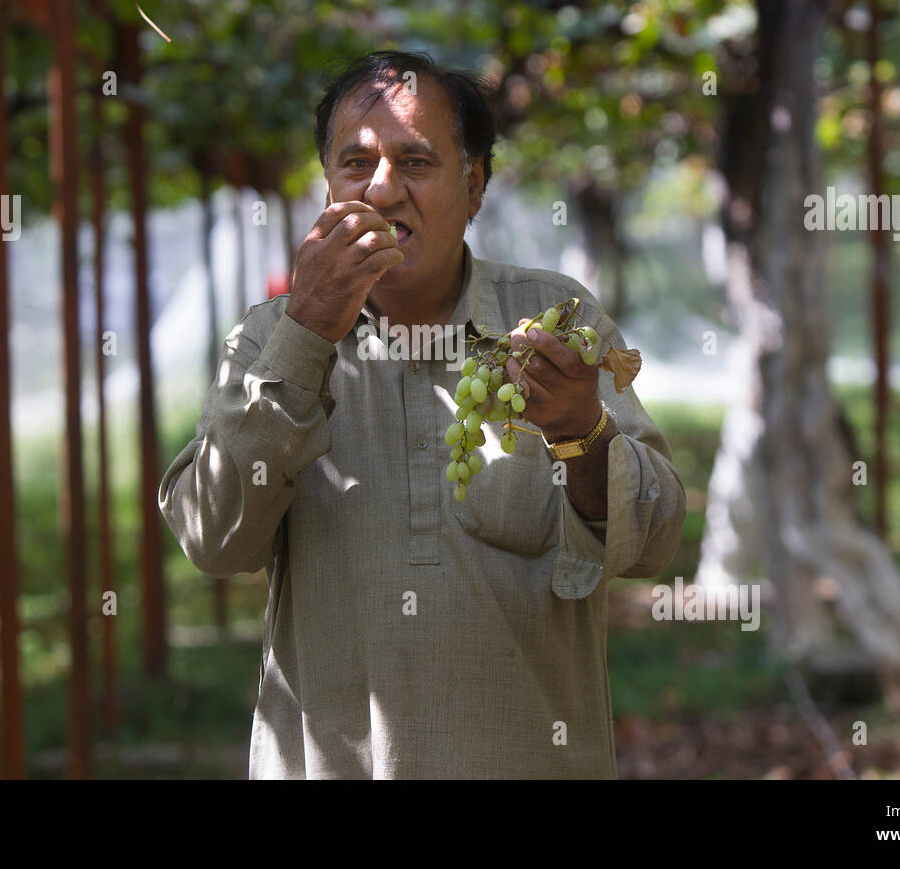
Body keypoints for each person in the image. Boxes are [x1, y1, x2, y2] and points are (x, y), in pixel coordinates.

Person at [159, 50, 686, 778]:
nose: (381, 188)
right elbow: (213, 541)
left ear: (473, 187)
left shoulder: (553, 324)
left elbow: (655, 537)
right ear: (328, 186)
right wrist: (306, 335)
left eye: (415, 162)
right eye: (355, 164)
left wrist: (581, 435)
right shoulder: (269, 340)